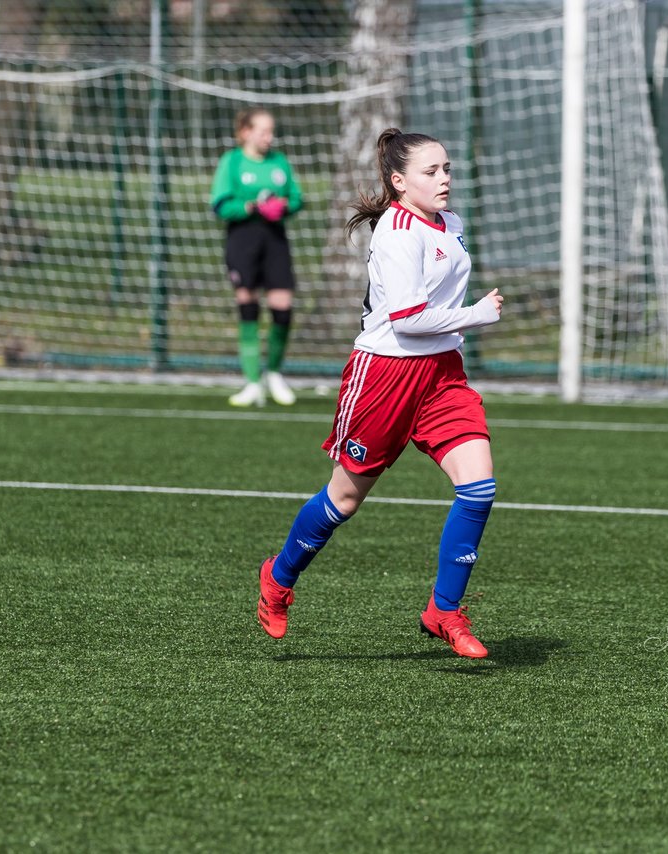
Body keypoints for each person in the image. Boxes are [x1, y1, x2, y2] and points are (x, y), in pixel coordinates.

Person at [255, 128, 504, 659]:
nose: (445, 179)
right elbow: (409, 320)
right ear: (399, 181)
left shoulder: (449, 223)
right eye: (431, 171)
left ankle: (444, 610)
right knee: (344, 498)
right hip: (383, 377)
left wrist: (461, 325)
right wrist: (475, 315)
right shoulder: (395, 232)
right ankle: (278, 577)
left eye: (447, 169)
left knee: (479, 488)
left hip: (441, 375)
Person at [210, 107, 304, 406]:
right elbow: (221, 204)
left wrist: (283, 206)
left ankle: (274, 373)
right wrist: (251, 207)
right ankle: (252, 381)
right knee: (247, 304)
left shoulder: (279, 161)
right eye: (263, 131)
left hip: (275, 239)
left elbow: (297, 197)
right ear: (246, 132)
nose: (269, 137)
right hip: (243, 240)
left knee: (282, 306)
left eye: (271, 131)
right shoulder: (232, 161)